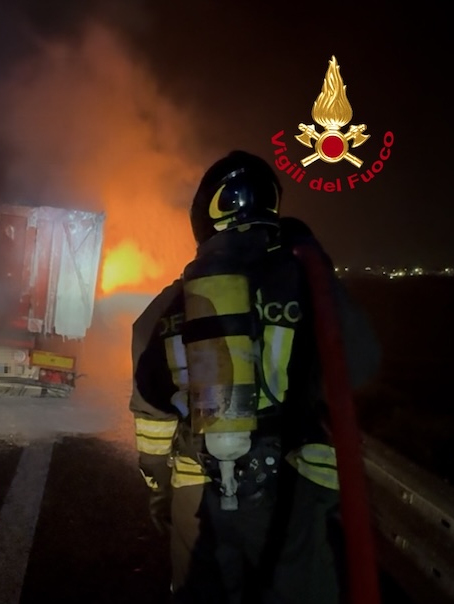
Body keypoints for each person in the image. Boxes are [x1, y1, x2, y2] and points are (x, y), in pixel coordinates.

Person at [129, 150, 381, 604]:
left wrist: (160, 491)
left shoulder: (169, 307)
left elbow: (151, 414)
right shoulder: (309, 288)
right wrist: (317, 260)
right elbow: (360, 366)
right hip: (295, 493)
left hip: (198, 487)